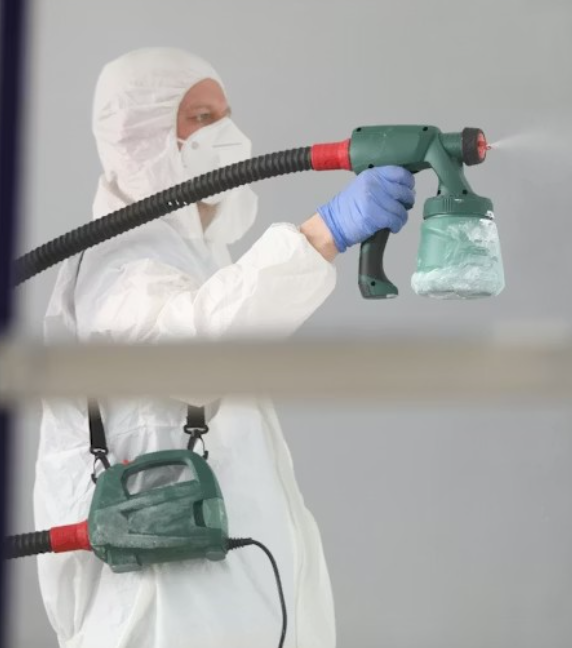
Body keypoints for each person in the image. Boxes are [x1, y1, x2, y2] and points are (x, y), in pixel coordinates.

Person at [34, 47, 415, 648]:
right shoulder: (123, 258)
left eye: (226, 114)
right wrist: (325, 233)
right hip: (162, 614)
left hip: (220, 604)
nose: (228, 135)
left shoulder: (191, 256)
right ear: (142, 136)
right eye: (201, 118)